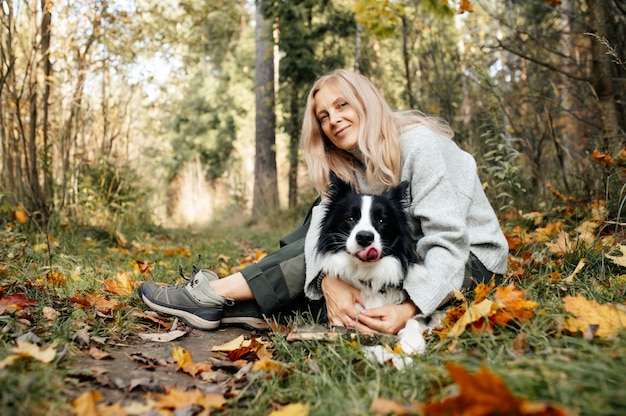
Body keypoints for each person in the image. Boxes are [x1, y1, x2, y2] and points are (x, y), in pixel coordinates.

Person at [139, 69, 509, 335]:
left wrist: (408, 309)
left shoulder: (420, 146)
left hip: (468, 264)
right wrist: (329, 279)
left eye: (342, 105)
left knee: (328, 251)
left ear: (365, 102)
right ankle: (243, 306)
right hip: (401, 260)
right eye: (324, 117)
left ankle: (215, 295)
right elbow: (317, 232)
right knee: (320, 230)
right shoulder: (349, 164)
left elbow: (448, 242)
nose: (334, 120)